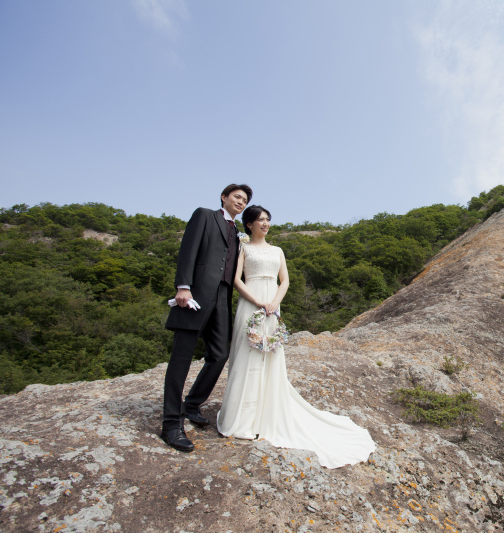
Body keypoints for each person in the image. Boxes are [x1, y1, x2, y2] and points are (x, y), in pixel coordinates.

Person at [217, 205, 375, 468]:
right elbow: (235, 279)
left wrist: (273, 304)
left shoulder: (278, 250)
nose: (265, 224)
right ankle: (243, 417)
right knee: (247, 354)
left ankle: (266, 415)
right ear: (249, 225)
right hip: (250, 303)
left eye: (267, 219)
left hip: (272, 305)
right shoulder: (244, 248)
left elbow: (285, 281)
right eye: (259, 220)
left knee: (271, 354)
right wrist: (257, 301)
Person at [161, 184, 253, 452]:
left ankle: (191, 404)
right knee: (181, 357)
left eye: (245, 200)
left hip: (223, 299)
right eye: (236, 196)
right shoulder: (204, 215)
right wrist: (183, 286)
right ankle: (170, 424)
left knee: (219, 354)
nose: (240, 201)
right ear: (224, 197)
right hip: (195, 295)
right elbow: (188, 251)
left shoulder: (238, 233)